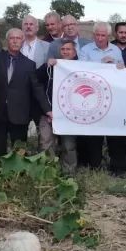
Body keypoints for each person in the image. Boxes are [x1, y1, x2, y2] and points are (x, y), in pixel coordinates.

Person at [0, 28, 51, 156]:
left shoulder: (29, 64)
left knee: (19, 152)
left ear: (23, 41)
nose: (15, 41)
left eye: (18, 38)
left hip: (20, 114)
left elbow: (37, 89)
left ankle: (18, 175)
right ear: (7, 41)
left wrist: (48, 110)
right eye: (12, 38)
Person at [78, 22, 126, 170]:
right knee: (94, 135)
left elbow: (122, 72)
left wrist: (117, 67)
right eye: (97, 35)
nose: (100, 38)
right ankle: (95, 167)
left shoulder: (116, 50)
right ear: (93, 35)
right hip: (93, 97)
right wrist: (102, 64)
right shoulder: (85, 50)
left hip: (112, 97)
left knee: (113, 134)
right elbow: (81, 71)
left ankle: (115, 167)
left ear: (108, 36)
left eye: (103, 35)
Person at [38, 40, 79, 170]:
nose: (65, 52)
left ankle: (69, 172)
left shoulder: (82, 67)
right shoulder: (52, 66)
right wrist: (46, 65)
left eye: (68, 49)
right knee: (46, 144)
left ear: (74, 52)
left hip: (69, 114)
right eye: (63, 49)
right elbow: (35, 79)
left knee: (69, 145)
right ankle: (48, 172)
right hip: (48, 112)